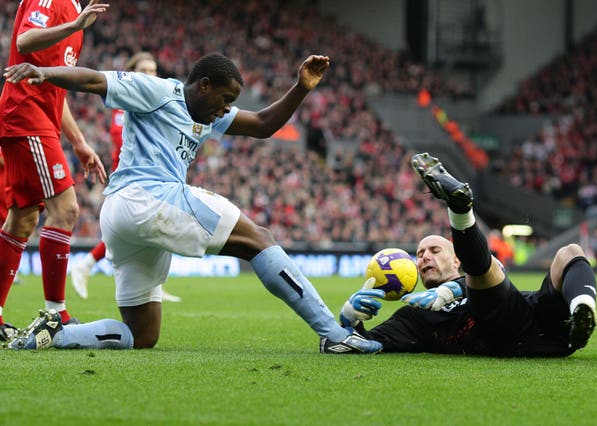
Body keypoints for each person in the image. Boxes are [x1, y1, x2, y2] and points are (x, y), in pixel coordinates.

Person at [3, 53, 382, 354]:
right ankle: (333, 333)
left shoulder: (207, 114)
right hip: (149, 198)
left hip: (121, 218)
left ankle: (60, 333)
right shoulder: (156, 91)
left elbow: (264, 124)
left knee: (142, 333)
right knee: (260, 239)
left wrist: (301, 87)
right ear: (204, 86)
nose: (226, 108)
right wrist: (43, 72)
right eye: (225, 98)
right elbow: (92, 79)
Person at [327, 152, 597, 356]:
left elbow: (489, 268)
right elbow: (354, 345)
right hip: (499, 335)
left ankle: (582, 310)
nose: (424, 257)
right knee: (481, 281)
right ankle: (459, 209)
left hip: (540, 323)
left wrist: (448, 291)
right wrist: (349, 319)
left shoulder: (471, 279)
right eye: (419, 255)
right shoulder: (413, 316)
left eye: (434, 250)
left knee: (569, 253)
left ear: (456, 260)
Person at [0, 0, 108, 342]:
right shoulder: (54, 1)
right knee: (66, 209)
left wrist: (79, 142)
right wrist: (74, 26)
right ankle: (56, 313)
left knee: (22, 220)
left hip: (38, 117)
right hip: (25, 114)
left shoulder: (75, 10)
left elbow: (52, 87)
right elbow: (24, 41)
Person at [69, 51, 181, 303]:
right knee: (138, 228)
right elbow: (120, 138)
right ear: (132, 74)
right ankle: (85, 264)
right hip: (132, 177)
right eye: (144, 71)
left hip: (154, 175)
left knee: (157, 226)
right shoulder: (127, 101)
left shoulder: (157, 101)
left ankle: (152, 283)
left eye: (153, 71)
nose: (151, 76)